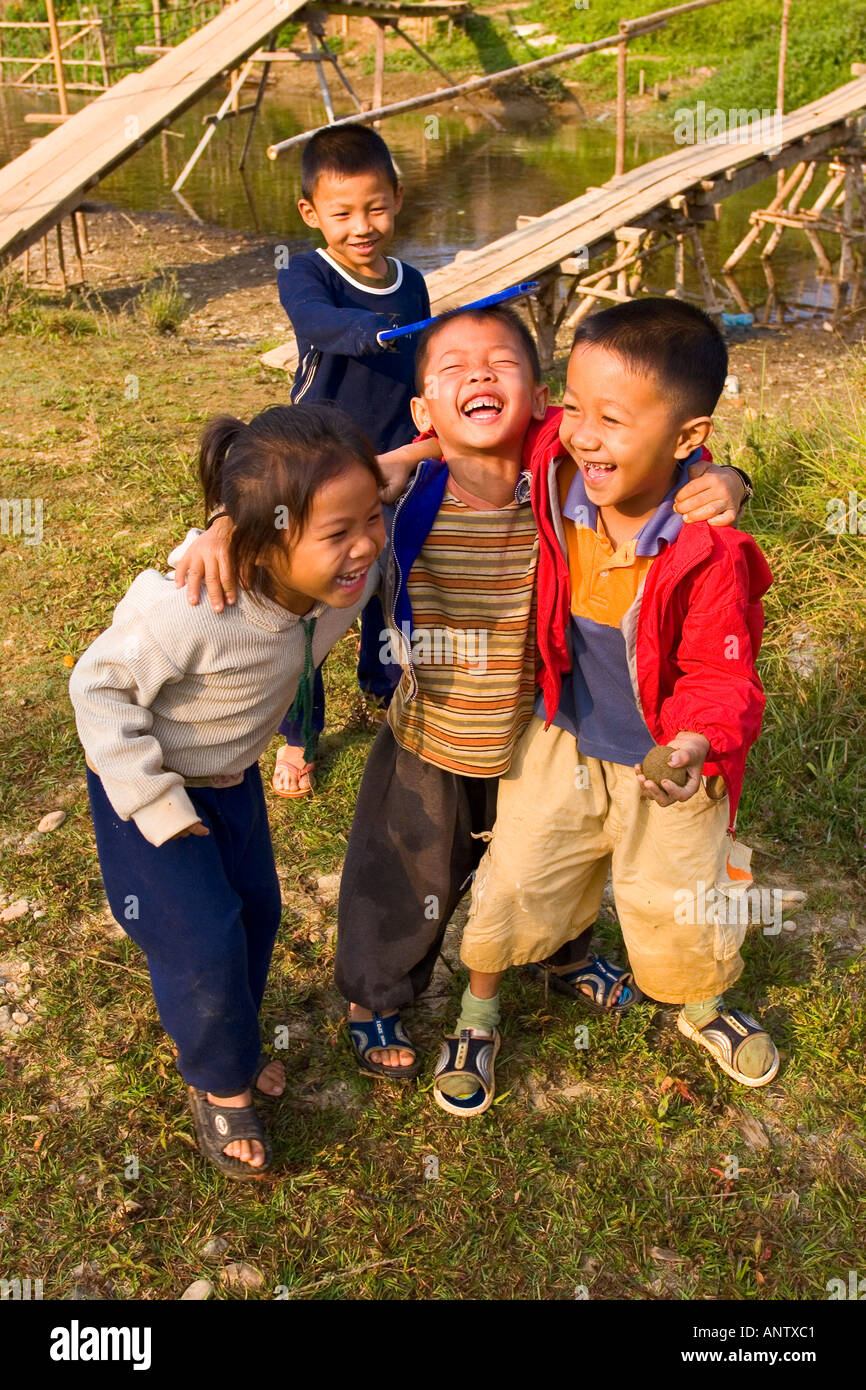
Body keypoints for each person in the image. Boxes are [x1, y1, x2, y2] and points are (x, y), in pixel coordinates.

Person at [332, 304, 750, 1084]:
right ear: (424, 408)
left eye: (500, 363)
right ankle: (375, 995)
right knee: (407, 867)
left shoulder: (558, 479)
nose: (479, 375)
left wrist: (725, 476)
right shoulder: (403, 497)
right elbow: (297, 504)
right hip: (435, 729)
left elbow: (644, 433)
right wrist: (229, 525)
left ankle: (564, 961)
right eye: (452, 368)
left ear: (536, 400)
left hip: (532, 726)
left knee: (556, 854)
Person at [435, 298, 777, 1116]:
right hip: (562, 733)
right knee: (518, 868)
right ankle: (478, 1013)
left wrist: (695, 743)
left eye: (611, 419)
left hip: (670, 757)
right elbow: (503, 426)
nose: (582, 432)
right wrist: (399, 456)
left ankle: (702, 1003)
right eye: (576, 405)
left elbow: (720, 672)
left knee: (679, 888)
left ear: (689, 439)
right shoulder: (560, 463)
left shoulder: (709, 552)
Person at [69, 404, 385, 1176]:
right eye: (338, 533)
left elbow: (413, 462)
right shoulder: (193, 606)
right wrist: (151, 803)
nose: (366, 545)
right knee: (201, 935)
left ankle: (233, 1044)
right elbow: (97, 689)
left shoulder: (343, 568)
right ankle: (217, 1082)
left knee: (256, 913)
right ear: (259, 542)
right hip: (149, 789)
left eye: (370, 519)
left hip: (233, 778)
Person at [182, 124, 431, 800]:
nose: (362, 226)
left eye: (376, 207)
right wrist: (370, 333)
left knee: (389, 580)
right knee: (307, 604)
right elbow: (317, 323)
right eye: (343, 212)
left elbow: (421, 368)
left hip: (391, 466)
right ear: (310, 213)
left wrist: (425, 424)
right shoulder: (305, 269)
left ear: (398, 199)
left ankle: (383, 687)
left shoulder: (414, 284)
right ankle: (298, 732)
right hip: (317, 468)